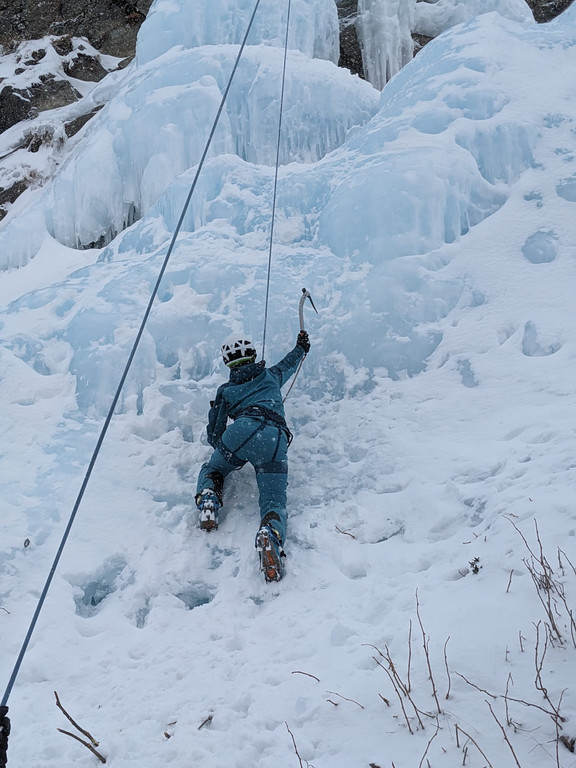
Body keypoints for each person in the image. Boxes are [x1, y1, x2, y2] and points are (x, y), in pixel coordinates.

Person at [195, 330, 310, 582]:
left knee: (212, 469)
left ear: (227, 363)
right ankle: (270, 535)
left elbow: (215, 433)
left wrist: (225, 452)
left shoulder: (226, 390)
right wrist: (301, 346)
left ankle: (209, 500)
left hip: (241, 432)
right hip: (275, 438)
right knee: (273, 502)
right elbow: (290, 363)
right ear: (253, 354)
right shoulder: (271, 375)